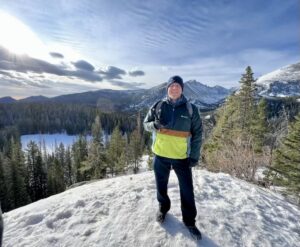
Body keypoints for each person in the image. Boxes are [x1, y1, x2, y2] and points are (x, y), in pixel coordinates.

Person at [143, 75, 202, 240]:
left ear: (182, 89)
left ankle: (189, 221)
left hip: (181, 158)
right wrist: (153, 125)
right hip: (160, 155)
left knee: (187, 190)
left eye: (177, 86)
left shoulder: (191, 109)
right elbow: (145, 124)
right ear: (167, 88)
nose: (174, 88)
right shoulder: (158, 105)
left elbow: (198, 135)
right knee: (161, 185)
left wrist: (194, 156)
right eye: (171, 86)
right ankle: (163, 208)